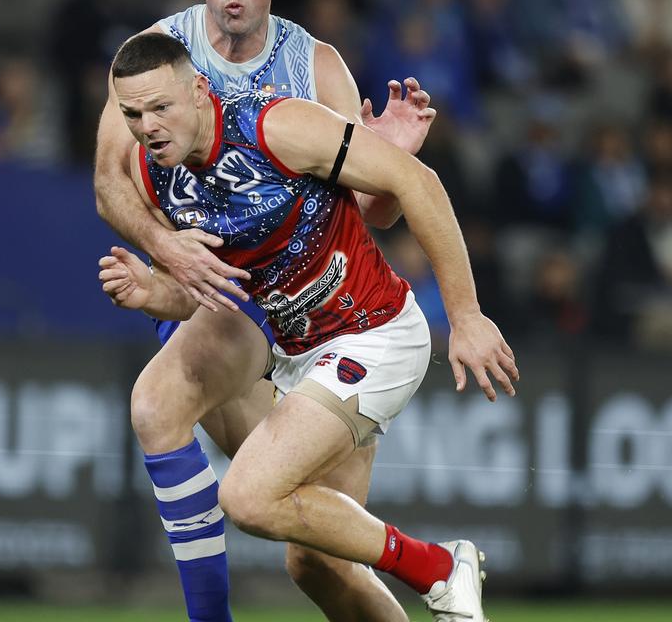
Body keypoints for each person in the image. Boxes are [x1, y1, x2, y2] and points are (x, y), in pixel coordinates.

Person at [101, 32, 518, 622]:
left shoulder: (275, 125)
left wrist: (467, 315)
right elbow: (226, 282)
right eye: (132, 114)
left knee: (246, 496)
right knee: (320, 565)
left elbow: (415, 182)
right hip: (299, 357)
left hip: (374, 333)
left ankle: (438, 567)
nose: (148, 127)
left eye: (160, 107)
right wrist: (154, 292)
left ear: (199, 90)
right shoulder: (157, 175)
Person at [92, 0, 430, 620]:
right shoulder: (155, 55)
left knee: (316, 559)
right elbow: (108, 183)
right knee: (157, 408)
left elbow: (372, 214)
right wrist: (167, 251)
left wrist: (392, 158)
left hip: (318, 306)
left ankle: (432, 573)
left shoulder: (316, 68)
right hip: (228, 297)